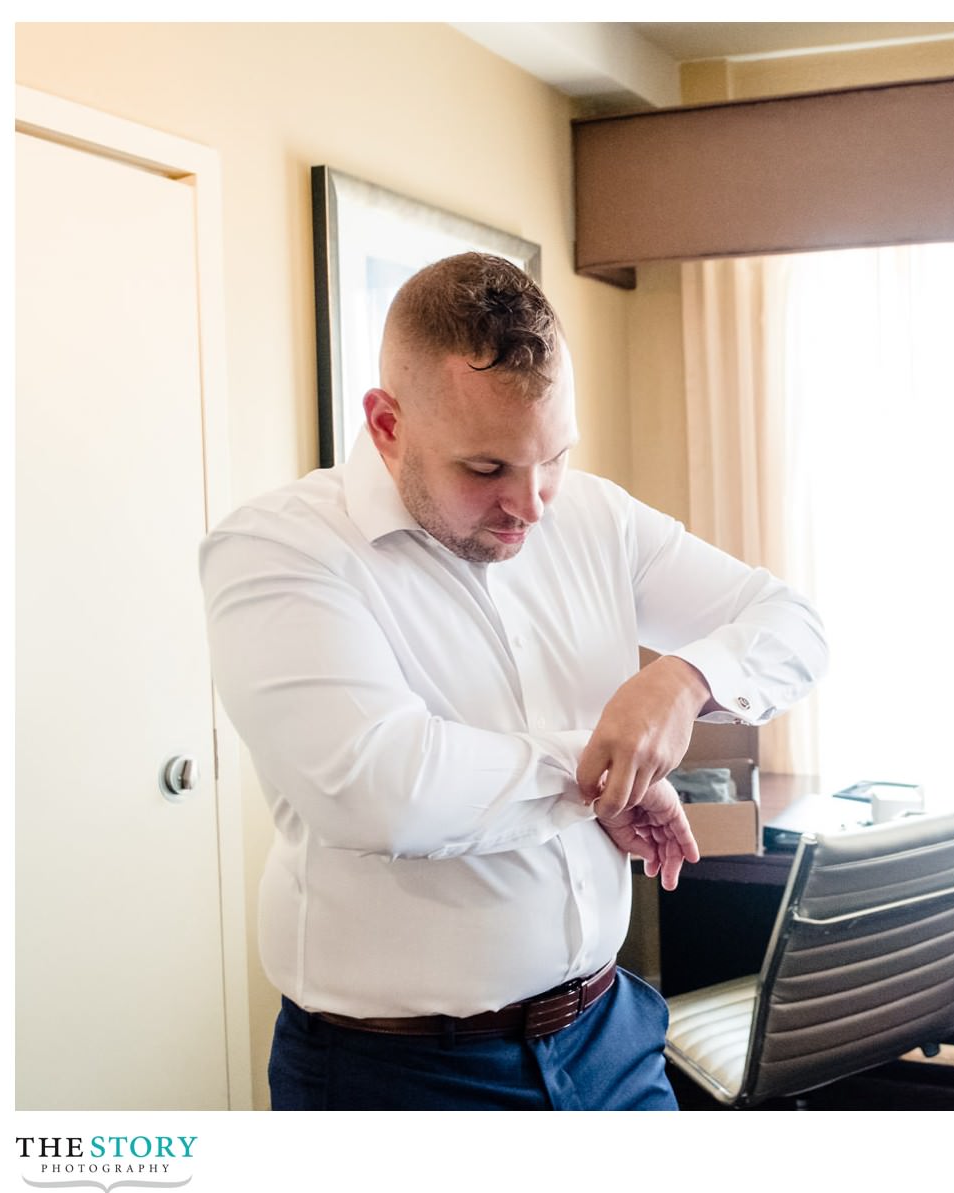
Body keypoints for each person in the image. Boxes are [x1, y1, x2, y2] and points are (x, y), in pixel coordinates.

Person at [199, 252, 827, 1110]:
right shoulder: (281, 551)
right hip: (406, 1081)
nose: (531, 505)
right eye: (486, 470)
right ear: (387, 425)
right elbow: (386, 792)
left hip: (612, 1041)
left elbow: (795, 623)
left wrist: (680, 683)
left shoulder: (594, 517)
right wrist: (603, 770)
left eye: (553, 458)